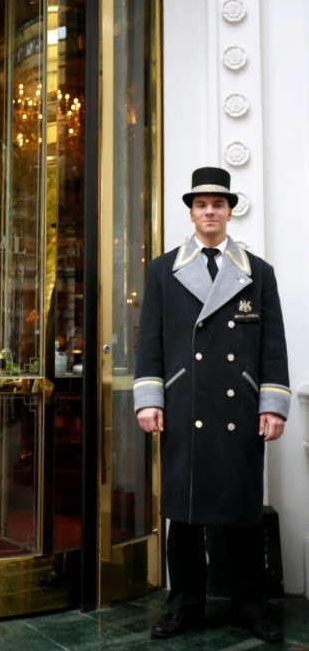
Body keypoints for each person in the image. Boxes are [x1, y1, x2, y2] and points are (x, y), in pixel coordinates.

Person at [134, 166, 291, 643]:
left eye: (218, 204)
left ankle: (250, 608)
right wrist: (149, 398)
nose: (209, 212)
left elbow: (273, 346)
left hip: (240, 410)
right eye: (201, 204)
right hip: (183, 407)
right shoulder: (163, 270)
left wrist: (273, 404)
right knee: (182, 516)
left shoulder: (257, 272)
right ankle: (184, 607)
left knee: (242, 514)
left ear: (229, 211)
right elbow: (150, 341)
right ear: (191, 211)